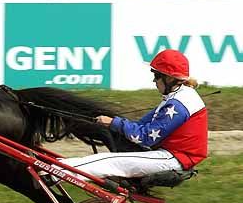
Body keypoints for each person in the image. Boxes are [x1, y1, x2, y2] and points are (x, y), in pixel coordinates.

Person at [55, 49, 208, 181]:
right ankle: (57, 169)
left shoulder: (178, 104)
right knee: (108, 160)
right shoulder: (178, 96)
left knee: (108, 162)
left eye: (156, 76)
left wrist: (113, 122)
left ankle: (54, 173)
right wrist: (114, 123)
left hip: (173, 159)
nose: (153, 80)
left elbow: (145, 138)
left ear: (169, 78)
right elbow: (142, 124)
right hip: (172, 155)